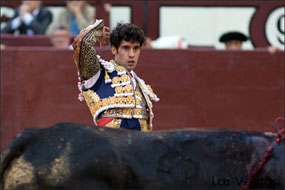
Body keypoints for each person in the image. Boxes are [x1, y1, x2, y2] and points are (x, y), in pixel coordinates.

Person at [72, 20, 159, 132]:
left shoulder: (141, 85)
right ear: (113, 49)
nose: (132, 54)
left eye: (136, 48)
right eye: (126, 48)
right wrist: (97, 31)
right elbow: (81, 43)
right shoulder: (98, 73)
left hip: (139, 145)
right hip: (111, 144)